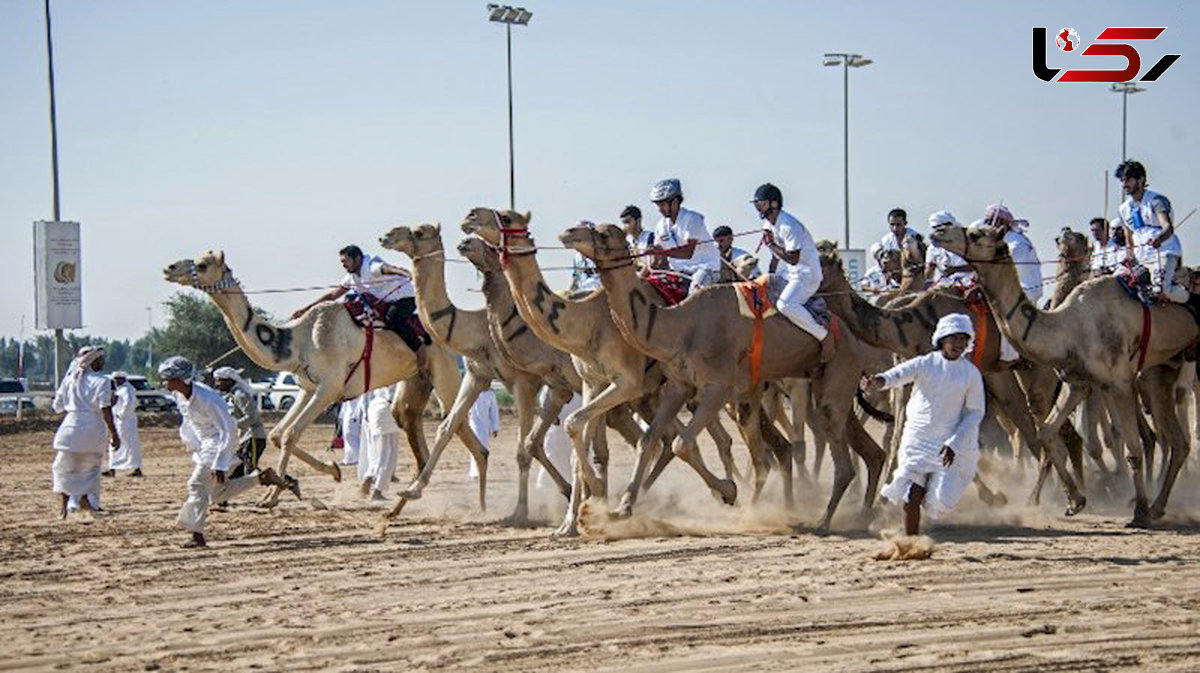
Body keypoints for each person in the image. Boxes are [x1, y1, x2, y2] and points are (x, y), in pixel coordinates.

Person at [864, 313, 985, 535]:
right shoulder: (925, 363)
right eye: (954, 338)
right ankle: (912, 542)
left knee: (941, 499)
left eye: (963, 339)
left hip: (948, 445)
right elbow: (899, 374)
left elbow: (975, 413)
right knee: (911, 496)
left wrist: (955, 443)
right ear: (942, 338)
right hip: (918, 439)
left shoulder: (971, 374)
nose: (958, 344)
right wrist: (880, 381)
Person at [159, 356, 298, 548]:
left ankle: (196, 536)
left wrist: (220, 463)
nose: (165, 383)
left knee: (197, 485)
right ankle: (261, 478)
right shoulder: (180, 396)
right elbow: (188, 421)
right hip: (204, 446)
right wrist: (191, 443)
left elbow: (229, 430)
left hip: (219, 445)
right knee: (217, 494)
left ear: (181, 379)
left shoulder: (208, 399)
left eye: (168, 379)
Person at [290, 245, 428, 350]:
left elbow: (389, 268)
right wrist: (305, 310)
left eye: (345, 261)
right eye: (342, 262)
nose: (343, 265)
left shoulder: (371, 265)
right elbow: (332, 295)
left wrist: (406, 273)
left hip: (405, 298)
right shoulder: (351, 277)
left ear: (357, 259)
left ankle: (418, 347)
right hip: (383, 303)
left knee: (392, 319)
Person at [752, 183, 834, 360]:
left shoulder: (789, 226)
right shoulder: (769, 223)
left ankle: (824, 336)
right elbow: (777, 258)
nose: (758, 207)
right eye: (757, 204)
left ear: (774, 204)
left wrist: (771, 244)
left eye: (762, 203)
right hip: (789, 274)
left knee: (785, 305)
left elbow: (793, 258)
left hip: (807, 275)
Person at [52, 346, 119, 519]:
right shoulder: (102, 381)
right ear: (94, 362)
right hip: (92, 428)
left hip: (69, 428)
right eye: (101, 360)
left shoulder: (69, 380)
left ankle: (64, 508)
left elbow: (57, 407)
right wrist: (114, 433)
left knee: (65, 468)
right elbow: (105, 409)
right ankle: (83, 500)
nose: (103, 363)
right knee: (90, 468)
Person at [1115, 160, 1187, 303]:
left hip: (1163, 252)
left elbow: (1167, 228)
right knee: (1115, 282)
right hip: (1141, 257)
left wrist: (1159, 239)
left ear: (1141, 180)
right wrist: (1130, 257)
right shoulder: (1123, 209)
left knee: (1160, 290)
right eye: (1123, 180)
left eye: (1128, 180)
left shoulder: (1156, 201)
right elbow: (1129, 239)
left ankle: (1189, 297)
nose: (1124, 185)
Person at [647, 178, 721, 294]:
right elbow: (657, 255)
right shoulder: (660, 226)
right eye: (658, 205)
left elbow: (687, 253)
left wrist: (662, 252)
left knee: (694, 292)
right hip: (678, 273)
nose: (660, 209)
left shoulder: (693, 219)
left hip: (705, 268)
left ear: (675, 202)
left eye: (663, 204)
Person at [212, 367, 266, 480]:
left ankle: (283, 480)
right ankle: (224, 495)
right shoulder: (232, 395)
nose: (217, 384)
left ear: (229, 381)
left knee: (250, 471)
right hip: (245, 439)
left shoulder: (240, 395)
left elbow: (251, 417)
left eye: (219, 380)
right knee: (236, 471)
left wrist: (233, 426)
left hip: (253, 438)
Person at [537, 391, 581, 490]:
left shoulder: (580, 393)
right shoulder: (548, 391)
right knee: (553, 459)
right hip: (556, 435)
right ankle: (545, 492)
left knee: (578, 461)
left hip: (577, 435)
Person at [363, 385, 401, 500]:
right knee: (389, 453)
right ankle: (377, 490)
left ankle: (369, 476)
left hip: (373, 407)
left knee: (375, 450)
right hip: (388, 409)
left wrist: (365, 412)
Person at [103, 371, 143, 478]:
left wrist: (122, 414)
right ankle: (113, 468)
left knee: (129, 444)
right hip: (120, 420)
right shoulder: (122, 390)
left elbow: (129, 403)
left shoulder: (126, 390)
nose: (115, 381)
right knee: (115, 443)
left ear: (122, 379)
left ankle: (136, 468)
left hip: (125, 421)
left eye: (117, 379)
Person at [925, 211, 975, 288]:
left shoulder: (965, 243)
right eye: (935, 228)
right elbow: (929, 268)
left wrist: (955, 270)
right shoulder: (932, 248)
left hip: (966, 282)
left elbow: (974, 266)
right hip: (941, 284)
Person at [467, 389, 501, 480]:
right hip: (474, 425)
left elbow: (494, 412)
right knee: (474, 449)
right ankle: (474, 473)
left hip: (486, 426)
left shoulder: (490, 395)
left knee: (484, 449)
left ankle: (482, 472)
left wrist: (495, 428)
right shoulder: (472, 392)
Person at [569, 221, 603, 295]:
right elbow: (576, 278)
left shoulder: (600, 253)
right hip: (583, 291)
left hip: (598, 291)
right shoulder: (577, 257)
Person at [620, 205, 655, 270]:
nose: (625, 227)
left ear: (638, 221)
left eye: (627, 222)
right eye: (623, 223)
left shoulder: (650, 237)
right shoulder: (626, 241)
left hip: (649, 274)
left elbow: (653, 262)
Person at [339, 393, 366, 466]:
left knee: (350, 434)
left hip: (354, 412)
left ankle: (356, 457)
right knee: (347, 434)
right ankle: (350, 457)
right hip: (349, 410)